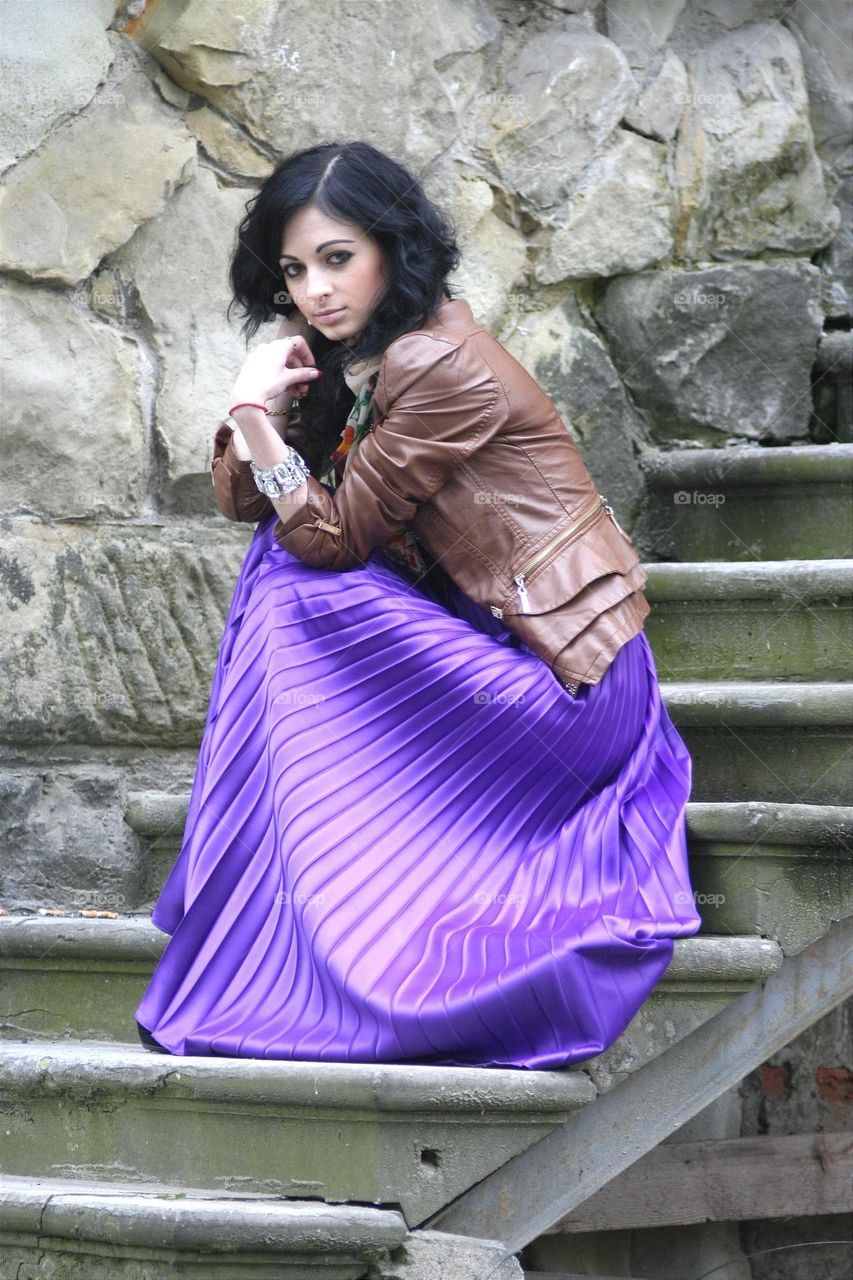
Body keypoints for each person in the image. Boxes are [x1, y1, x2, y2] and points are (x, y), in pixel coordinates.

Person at [135, 141, 702, 1068]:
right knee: (275, 569)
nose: (316, 289)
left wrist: (246, 415)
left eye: (337, 257)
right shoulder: (364, 361)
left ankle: (297, 929)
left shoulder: (441, 367)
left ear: (396, 249)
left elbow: (324, 539)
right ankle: (286, 913)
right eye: (293, 269)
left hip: (568, 688)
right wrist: (266, 410)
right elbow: (252, 502)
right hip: (493, 667)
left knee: (290, 582)